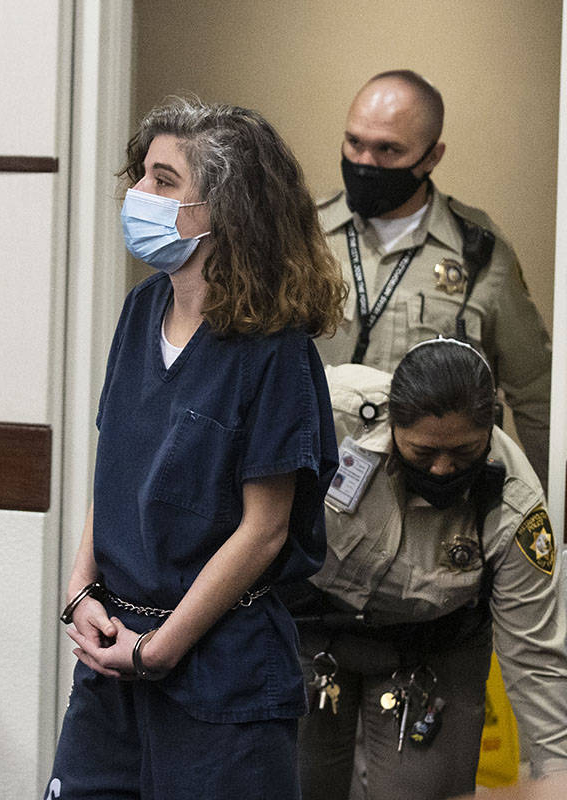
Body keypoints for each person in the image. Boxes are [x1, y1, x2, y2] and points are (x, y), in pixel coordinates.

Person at [45, 97, 345, 799]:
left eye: (163, 180)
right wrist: (80, 587)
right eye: (141, 176)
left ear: (223, 211)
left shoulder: (275, 350)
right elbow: (114, 466)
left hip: (220, 669)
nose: (137, 195)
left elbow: (266, 530)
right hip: (114, 649)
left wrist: (160, 650)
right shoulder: (141, 308)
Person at [295, 338, 567, 799]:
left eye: (462, 453)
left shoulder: (516, 506)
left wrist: (557, 775)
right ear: (392, 420)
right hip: (308, 634)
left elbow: (535, 657)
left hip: (429, 655)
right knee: (294, 786)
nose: (442, 469)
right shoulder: (330, 413)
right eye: (423, 453)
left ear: (490, 428)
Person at [316, 70, 551, 489]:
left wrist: (555, 506)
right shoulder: (302, 237)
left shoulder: (480, 254)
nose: (366, 162)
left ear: (432, 157)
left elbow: (537, 395)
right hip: (319, 494)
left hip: (435, 500)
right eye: (355, 142)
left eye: (388, 149)